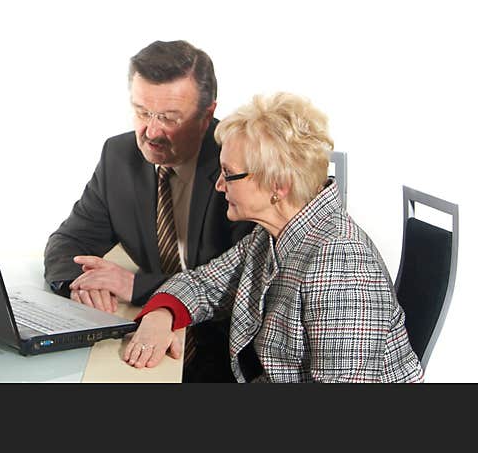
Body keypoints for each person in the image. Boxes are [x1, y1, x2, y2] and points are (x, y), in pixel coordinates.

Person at [123, 92, 424, 382]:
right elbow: (203, 283)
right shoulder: (270, 236)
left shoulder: (340, 264)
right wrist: (160, 316)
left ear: (278, 186)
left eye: (228, 173)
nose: (218, 185)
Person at [44, 40, 252, 382]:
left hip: (227, 353)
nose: (151, 132)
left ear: (206, 116)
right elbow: (70, 240)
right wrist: (80, 283)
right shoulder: (118, 156)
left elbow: (243, 279)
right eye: (142, 112)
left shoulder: (239, 163)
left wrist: (135, 285)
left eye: (169, 118)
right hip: (151, 347)